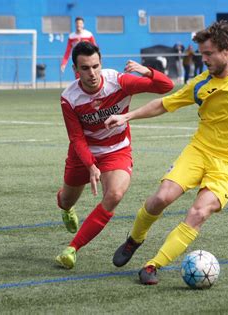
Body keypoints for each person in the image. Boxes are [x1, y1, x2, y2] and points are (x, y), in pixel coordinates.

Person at [105, 21, 228, 285]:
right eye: (202, 54)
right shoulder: (200, 84)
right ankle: (135, 239)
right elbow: (163, 104)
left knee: (198, 213)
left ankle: (153, 265)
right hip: (199, 152)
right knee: (160, 199)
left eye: (209, 53)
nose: (204, 59)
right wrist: (126, 116)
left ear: (227, 51)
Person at [54, 41, 174, 269]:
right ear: (75, 70)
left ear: (101, 63)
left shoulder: (119, 82)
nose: (92, 73)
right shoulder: (69, 98)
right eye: (85, 68)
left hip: (116, 150)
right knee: (67, 199)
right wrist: (90, 165)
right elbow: (76, 138)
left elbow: (166, 86)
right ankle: (66, 207)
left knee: (115, 194)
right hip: (84, 153)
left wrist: (147, 71)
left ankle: (72, 249)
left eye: (96, 66)